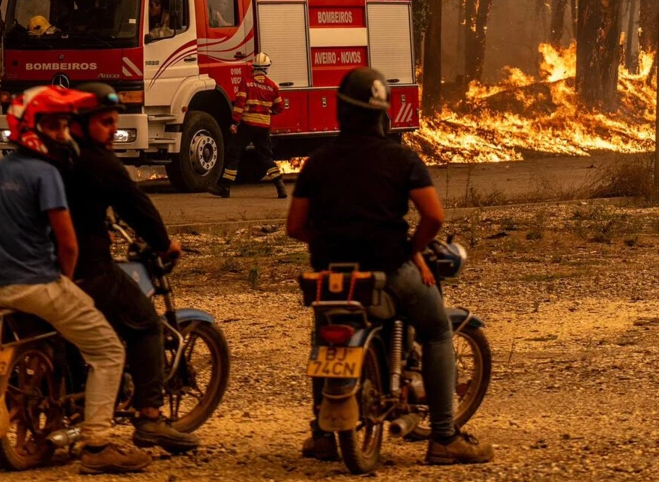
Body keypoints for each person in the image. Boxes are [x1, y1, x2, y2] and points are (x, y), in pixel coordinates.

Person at [285, 67, 494, 466]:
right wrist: (411, 248)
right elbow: (433, 216)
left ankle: (321, 436)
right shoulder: (401, 159)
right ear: (384, 115)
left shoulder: (317, 162)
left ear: (340, 114)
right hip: (389, 269)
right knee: (435, 330)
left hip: (333, 277)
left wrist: (330, 241)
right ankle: (445, 438)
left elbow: (295, 227)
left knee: (323, 340)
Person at [0, 86, 149, 475]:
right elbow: (68, 243)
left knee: (61, 334)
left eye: (64, 124)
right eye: (54, 126)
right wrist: (65, 282)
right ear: (32, 128)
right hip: (34, 285)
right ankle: (97, 444)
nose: (62, 133)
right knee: (109, 351)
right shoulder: (46, 174)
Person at [63, 82, 201, 454]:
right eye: (105, 122)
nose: (113, 130)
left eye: (115, 122)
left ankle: (77, 403)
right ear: (79, 123)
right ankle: (150, 419)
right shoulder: (98, 162)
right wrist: (164, 243)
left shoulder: (53, 158)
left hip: (45, 270)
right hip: (89, 269)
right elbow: (136, 207)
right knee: (145, 324)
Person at [207, 53, 286, 199]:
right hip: (263, 127)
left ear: (253, 67)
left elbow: (239, 105)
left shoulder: (246, 82)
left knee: (234, 154)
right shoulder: (272, 86)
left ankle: (225, 188)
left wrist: (235, 123)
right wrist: (267, 111)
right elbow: (280, 107)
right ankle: (280, 187)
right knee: (266, 157)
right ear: (267, 68)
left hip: (248, 125)